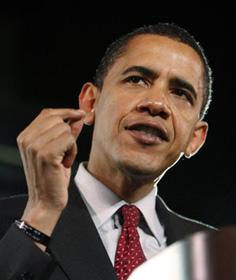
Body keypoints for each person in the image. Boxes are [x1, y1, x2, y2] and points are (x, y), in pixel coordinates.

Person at [0, 22, 216, 280]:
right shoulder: (10, 223)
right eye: (137, 80)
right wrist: (41, 215)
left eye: (180, 93)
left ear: (195, 138)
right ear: (90, 102)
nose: (157, 104)